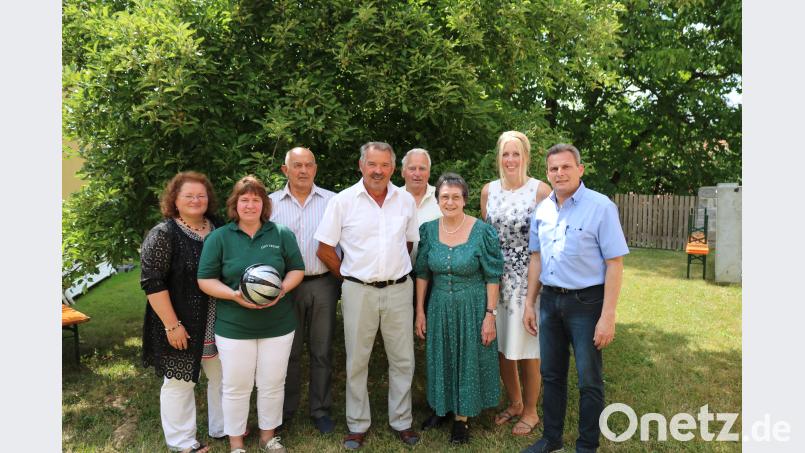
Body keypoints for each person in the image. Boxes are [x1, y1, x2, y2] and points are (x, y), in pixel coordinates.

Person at [520, 144, 628, 453]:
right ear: (548, 173)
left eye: (566, 167)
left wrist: (608, 315)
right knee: (551, 374)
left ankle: (586, 446)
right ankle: (551, 439)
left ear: (580, 169)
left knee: (589, 380)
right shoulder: (542, 209)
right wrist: (530, 303)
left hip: (587, 304)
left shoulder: (601, 206)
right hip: (550, 303)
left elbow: (614, 264)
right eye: (554, 168)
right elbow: (536, 258)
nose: (559, 173)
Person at [315, 142, 420, 450]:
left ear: (393, 168)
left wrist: (392, 270)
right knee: (357, 360)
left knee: (403, 360)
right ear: (361, 166)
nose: (378, 171)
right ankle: (357, 425)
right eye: (372, 164)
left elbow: (409, 244)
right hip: (358, 290)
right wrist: (349, 276)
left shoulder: (405, 201)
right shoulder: (343, 201)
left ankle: (402, 421)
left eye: (385, 165)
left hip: (399, 289)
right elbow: (324, 248)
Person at [197, 175, 306, 453]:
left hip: (278, 324)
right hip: (234, 325)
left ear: (264, 204)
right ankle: (236, 444)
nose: (249, 205)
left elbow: (297, 270)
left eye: (255, 200)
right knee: (236, 385)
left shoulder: (280, 234)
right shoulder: (219, 237)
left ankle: (268, 437)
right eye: (244, 200)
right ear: (235, 204)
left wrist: (281, 290)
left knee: (272, 383)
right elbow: (205, 279)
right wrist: (234, 294)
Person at [414, 173, 504, 444]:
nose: (450, 202)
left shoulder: (482, 231)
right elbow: (422, 273)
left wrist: (490, 315)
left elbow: (492, 275)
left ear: (465, 200)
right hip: (439, 304)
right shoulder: (428, 230)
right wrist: (420, 310)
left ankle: (462, 420)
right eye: (444, 197)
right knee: (441, 356)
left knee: (467, 357)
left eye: (455, 197)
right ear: (438, 200)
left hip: (472, 306)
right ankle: (442, 408)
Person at [141, 171, 222, 453]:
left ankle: (222, 427)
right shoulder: (164, 234)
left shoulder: (219, 227)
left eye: (201, 195)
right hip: (180, 322)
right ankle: (183, 443)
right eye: (188, 195)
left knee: (221, 376)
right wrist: (172, 325)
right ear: (174, 200)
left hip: (219, 320)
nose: (196, 200)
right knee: (178, 382)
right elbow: (152, 283)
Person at [481, 130, 552, 436]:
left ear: (526, 157)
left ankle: (533, 411)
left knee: (528, 347)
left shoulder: (540, 190)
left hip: (529, 276)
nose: (510, 160)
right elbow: (485, 236)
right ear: (499, 158)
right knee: (502, 347)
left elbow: (551, 238)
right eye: (505, 154)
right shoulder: (488, 191)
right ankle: (515, 402)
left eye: (516, 154)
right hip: (497, 277)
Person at [269, 147, 340, 434]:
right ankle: (285, 411)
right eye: (296, 165)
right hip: (285, 288)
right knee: (289, 351)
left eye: (308, 165)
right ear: (285, 170)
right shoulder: (270, 204)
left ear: (315, 169)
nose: (303, 170)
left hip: (323, 283)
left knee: (322, 350)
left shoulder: (333, 202)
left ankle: (320, 409)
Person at [401, 147, 442, 265]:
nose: (417, 173)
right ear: (403, 172)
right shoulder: (391, 200)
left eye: (422, 168)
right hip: (399, 275)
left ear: (429, 172)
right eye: (412, 168)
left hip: (433, 274)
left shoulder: (442, 198)